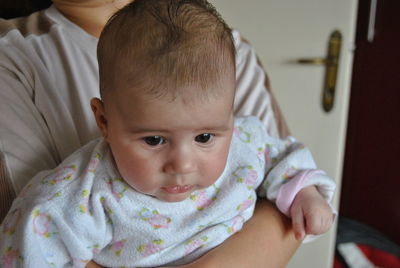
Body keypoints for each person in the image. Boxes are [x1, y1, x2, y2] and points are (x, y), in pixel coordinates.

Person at [0, 1, 336, 267]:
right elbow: (31, 241)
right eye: (155, 140)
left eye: (204, 138)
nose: (182, 163)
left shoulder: (244, 142)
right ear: (104, 121)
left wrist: (305, 193)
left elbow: (284, 159)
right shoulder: (84, 194)